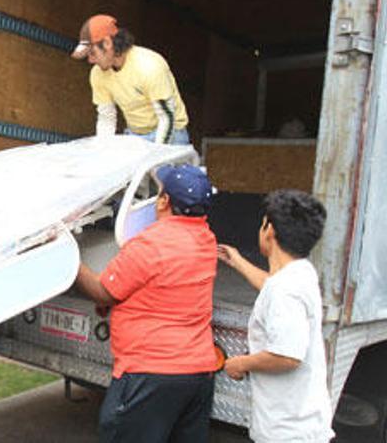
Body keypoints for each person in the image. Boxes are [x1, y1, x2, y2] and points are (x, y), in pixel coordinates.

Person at [74, 164, 218, 442]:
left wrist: (72, 263)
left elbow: (104, 292)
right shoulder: (206, 240)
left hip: (150, 374)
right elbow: (166, 286)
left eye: (160, 192)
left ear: (164, 201)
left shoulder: (149, 245)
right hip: (197, 375)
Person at [219, 190, 334, 442]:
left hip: (287, 432)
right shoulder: (300, 273)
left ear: (269, 231)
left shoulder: (286, 289)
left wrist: (242, 363)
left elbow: (287, 356)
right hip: (301, 425)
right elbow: (274, 286)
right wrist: (237, 261)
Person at [71, 14, 190, 145]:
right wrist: (102, 151)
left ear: (107, 43)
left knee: (156, 164)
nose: (90, 60)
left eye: (92, 53)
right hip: (135, 135)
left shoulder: (149, 66)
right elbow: (107, 117)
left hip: (171, 133)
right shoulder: (97, 74)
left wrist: (155, 155)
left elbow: (167, 119)